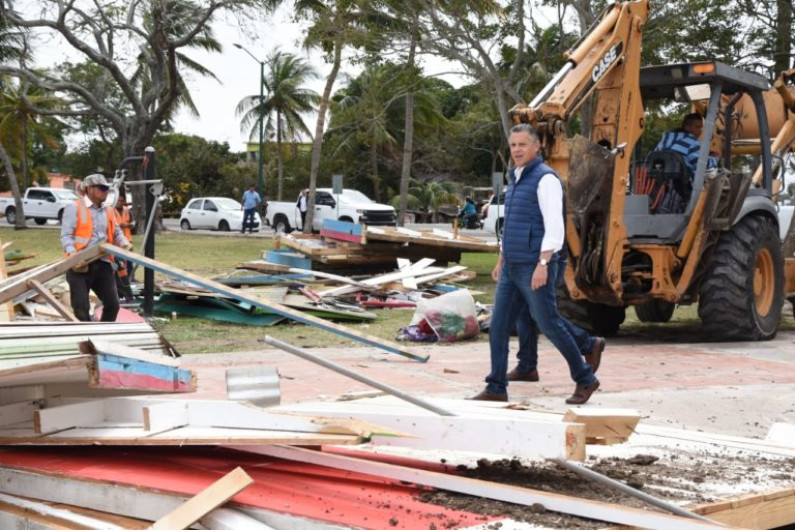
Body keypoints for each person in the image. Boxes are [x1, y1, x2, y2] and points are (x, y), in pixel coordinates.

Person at [471, 124, 601, 405]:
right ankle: (496, 386)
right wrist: (502, 257)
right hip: (512, 266)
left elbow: (555, 227)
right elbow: (513, 224)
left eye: (522, 145)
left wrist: (544, 263)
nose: (516, 150)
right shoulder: (515, 178)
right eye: (513, 145)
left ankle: (585, 379)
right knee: (498, 326)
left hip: (534, 266)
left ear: (536, 147)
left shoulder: (546, 179)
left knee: (549, 324)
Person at [61, 174, 132, 322]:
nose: (106, 191)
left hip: (103, 263)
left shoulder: (108, 210)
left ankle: (103, 335)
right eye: (102, 188)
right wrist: (72, 253)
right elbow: (66, 235)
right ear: (90, 189)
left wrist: (124, 243)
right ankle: (87, 338)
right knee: (81, 308)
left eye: (107, 188)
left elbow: (116, 232)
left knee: (113, 304)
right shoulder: (74, 207)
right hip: (80, 265)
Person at [113, 194, 135, 302]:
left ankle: (130, 278)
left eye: (121, 201)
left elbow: (133, 223)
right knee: (120, 264)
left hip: (127, 240)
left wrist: (128, 225)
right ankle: (123, 291)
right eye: (118, 201)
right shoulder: (111, 210)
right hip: (117, 242)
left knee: (128, 262)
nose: (119, 203)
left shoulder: (127, 210)